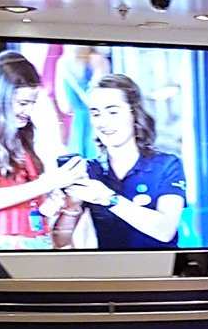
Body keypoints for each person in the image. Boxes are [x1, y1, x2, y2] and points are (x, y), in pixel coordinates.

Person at [0, 50, 84, 249]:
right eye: (22, 103)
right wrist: (49, 183)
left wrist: (56, 205)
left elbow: (56, 238)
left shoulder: (24, 138)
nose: (29, 111)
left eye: (32, 103)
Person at [69, 73, 187, 249]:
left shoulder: (167, 165)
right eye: (96, 114)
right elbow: (63, 241)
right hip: (110, 265)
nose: (103, 122)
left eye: (113, 112)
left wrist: (109, 199)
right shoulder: (89, 170)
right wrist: (68, 208)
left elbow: (165, 231)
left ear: (134, 113)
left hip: (161, 264)